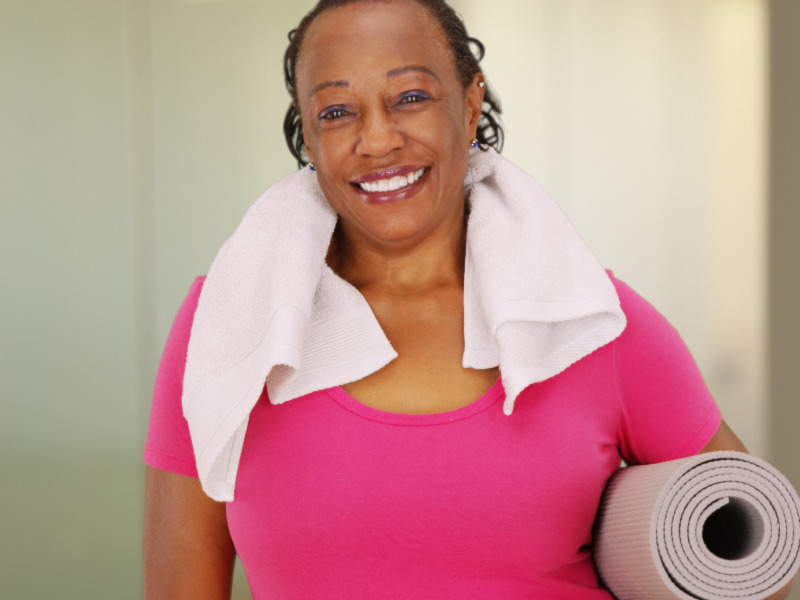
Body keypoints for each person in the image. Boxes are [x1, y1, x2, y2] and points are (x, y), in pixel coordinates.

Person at [142, 1, 794, 598]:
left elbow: (758, 554)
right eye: (337, 112)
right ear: (308, 135)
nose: (376, 140)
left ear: (470, 100)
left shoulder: (591, 322)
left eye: (411, 97)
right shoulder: (230, 327)